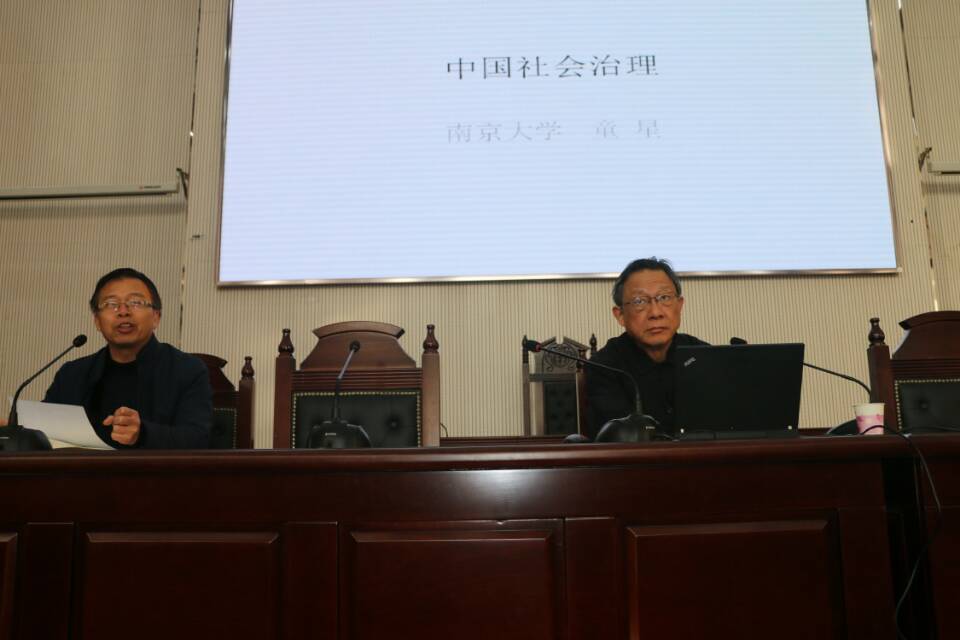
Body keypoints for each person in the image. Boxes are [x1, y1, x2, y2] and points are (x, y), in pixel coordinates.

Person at [40, 268, 212, 448]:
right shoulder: (72, 374)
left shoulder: (187, 370)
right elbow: (45, 432)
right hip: (85, 467)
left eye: (135, 302)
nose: (123, 311)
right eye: (111, 303)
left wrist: (142, 433)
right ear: (97, 321)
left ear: (156, 317)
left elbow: (198, 439)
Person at [585, 257, 707, 438]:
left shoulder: (702, 355)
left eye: (664, 297)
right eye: (639, 301)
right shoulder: (604, 367)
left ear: (679, 305)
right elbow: (618, 439)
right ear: (620, 315)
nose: (655, 313)